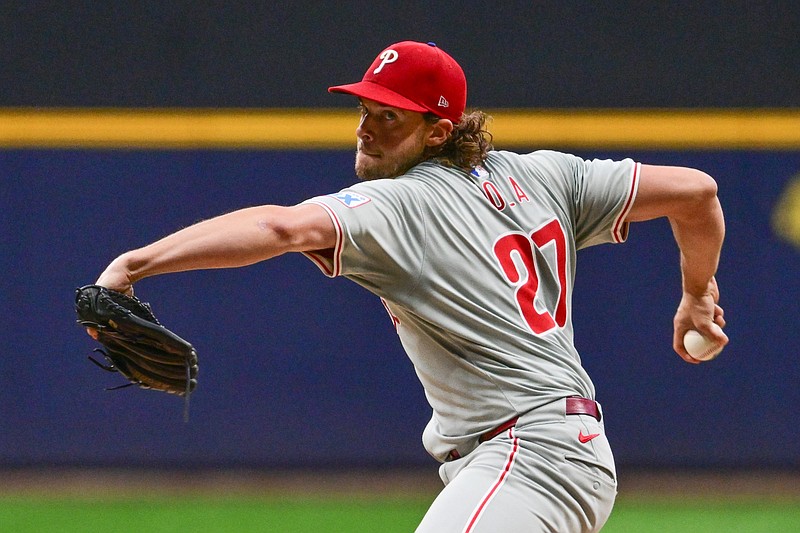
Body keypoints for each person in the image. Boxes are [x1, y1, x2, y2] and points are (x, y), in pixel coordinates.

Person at [93, 41, 727, 532]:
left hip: (528, 456)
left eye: (388, 117)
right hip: (544, 454)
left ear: (438, 131)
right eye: (364, 110)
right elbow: (696, 193)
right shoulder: (547, 176)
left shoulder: (399, 205)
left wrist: (134, 265)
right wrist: (697, 292)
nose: (366, 129)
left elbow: (280, 228)